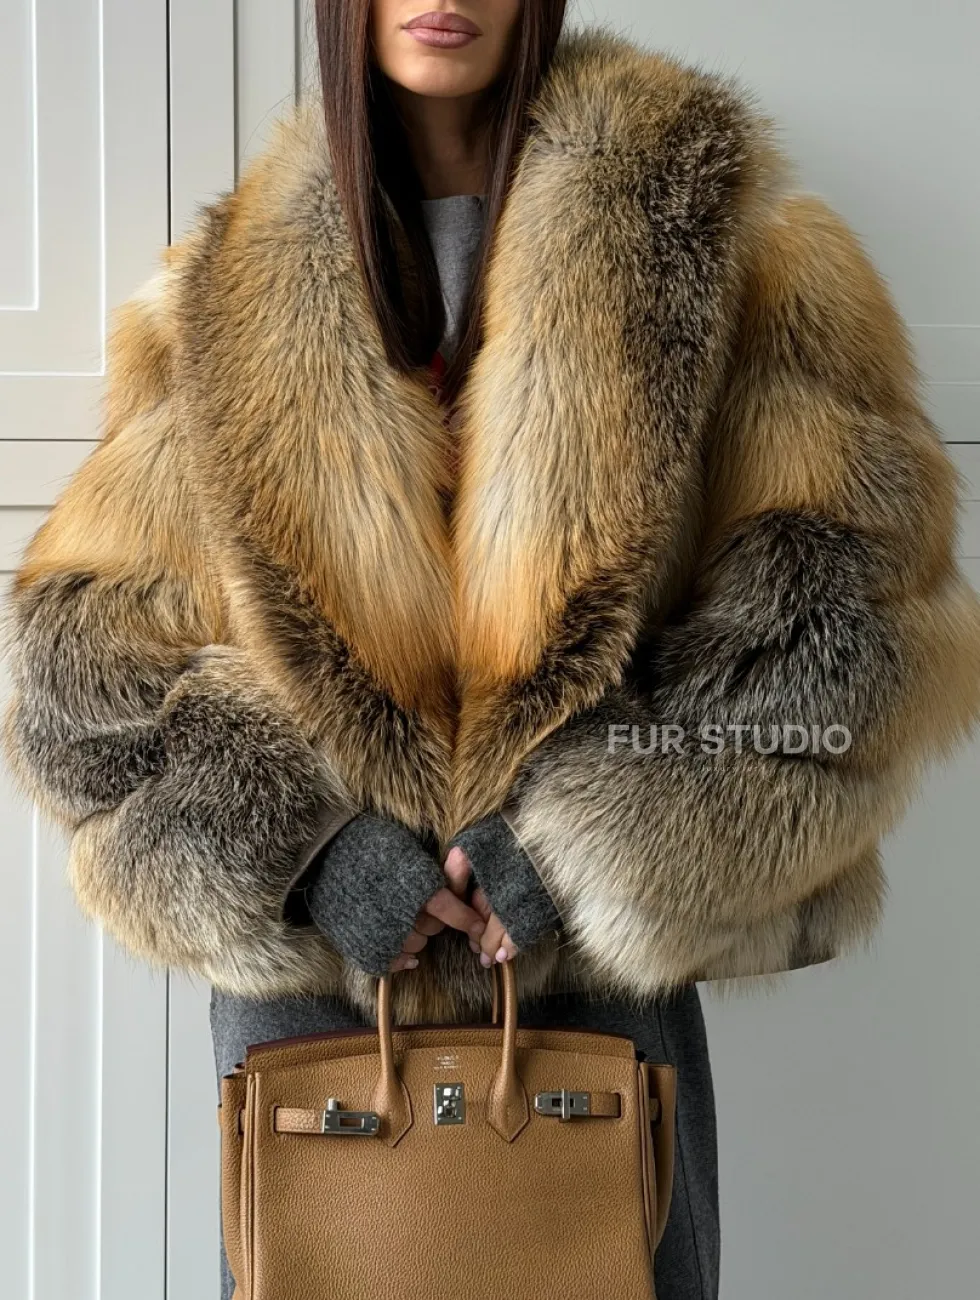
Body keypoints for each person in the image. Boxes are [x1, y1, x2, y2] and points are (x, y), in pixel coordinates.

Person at [5, 2, 980, 1297]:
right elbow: (79, 677)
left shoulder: (714, 237)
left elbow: (846, 629)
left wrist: (575, 849)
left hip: (590, 1013)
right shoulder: (223, 292)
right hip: (319, 1024)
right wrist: (310, 848)